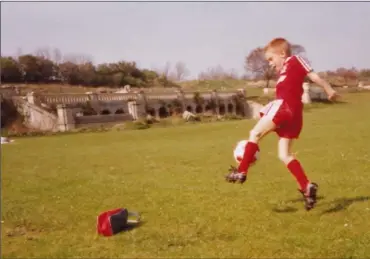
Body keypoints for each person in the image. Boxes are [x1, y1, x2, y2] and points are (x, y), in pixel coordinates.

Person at [225, 38, 338, 211]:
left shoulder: (294, 60)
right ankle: (307, 186)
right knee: (284, 154)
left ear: (282, 54)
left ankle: (242, 171)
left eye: (271, 59)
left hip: (285, 107)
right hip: (293, 114)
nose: (270, 64)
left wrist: (328, 88)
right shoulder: (283, 72)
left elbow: (313, 75)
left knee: (254, 134)